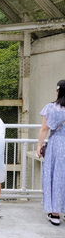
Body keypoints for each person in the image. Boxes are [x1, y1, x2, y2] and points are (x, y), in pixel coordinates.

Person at [36, 80, 65, 226]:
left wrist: (39, 146)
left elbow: (44, 129)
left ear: (58, 91)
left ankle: (55, 214)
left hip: (56, 145)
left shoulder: (51, 108)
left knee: (55, 176)